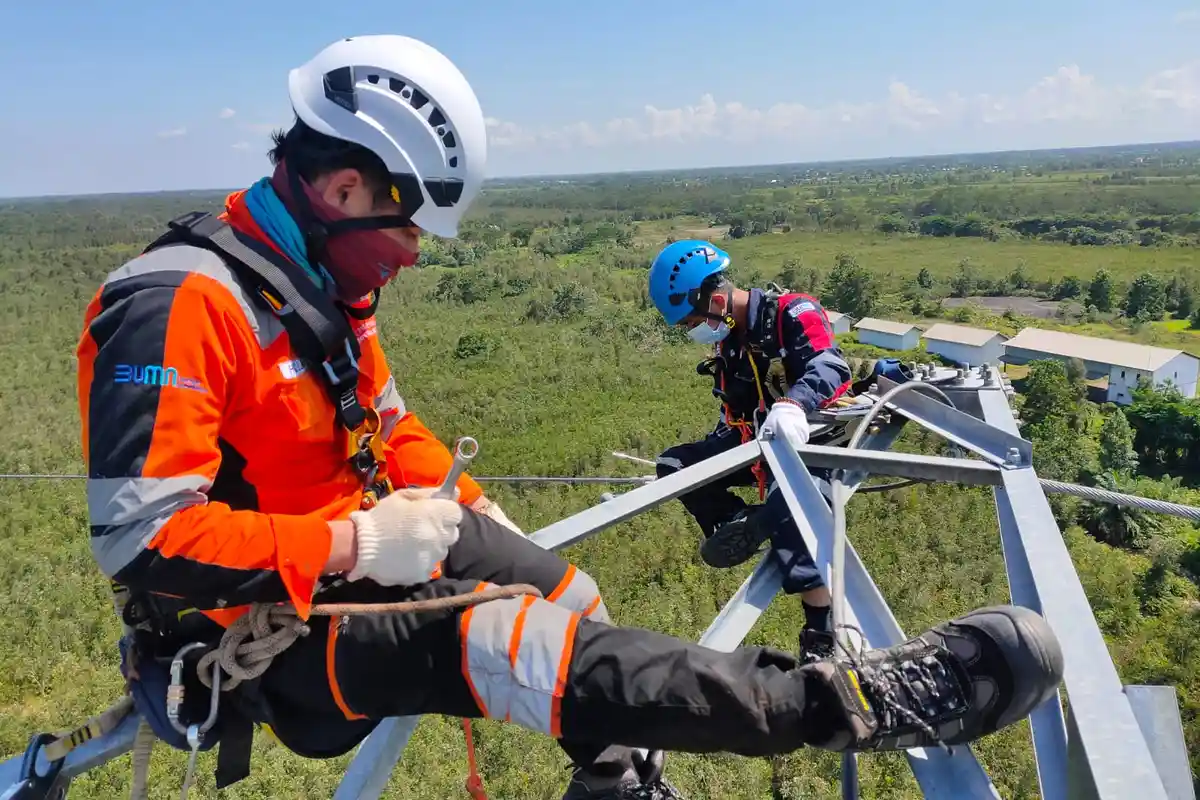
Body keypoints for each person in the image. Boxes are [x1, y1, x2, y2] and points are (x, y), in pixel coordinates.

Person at [75, 35, 1066, 800]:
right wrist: (352, 541)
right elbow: (144, 540)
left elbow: (386, 424)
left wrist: (468, 504)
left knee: (571, 592)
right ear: (341, 189)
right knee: (514, 644)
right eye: (405, 224)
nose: (412, 252)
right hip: (260, 641)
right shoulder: (181, 304)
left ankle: (612, 777)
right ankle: (846, 702)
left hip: (354, 565)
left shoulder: (311, 293)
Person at [648, 240, 854, 660]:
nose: (693, 331)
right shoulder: (730, 341)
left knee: (792, 503)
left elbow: (830, 366)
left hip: (806, 440)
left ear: (716, 298)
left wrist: (795, 403)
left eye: (691, 321)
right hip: (752, 441)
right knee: (674, 465)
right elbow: (735, 407)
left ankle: (821, 631)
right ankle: (738, 522)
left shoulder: (792, 313)